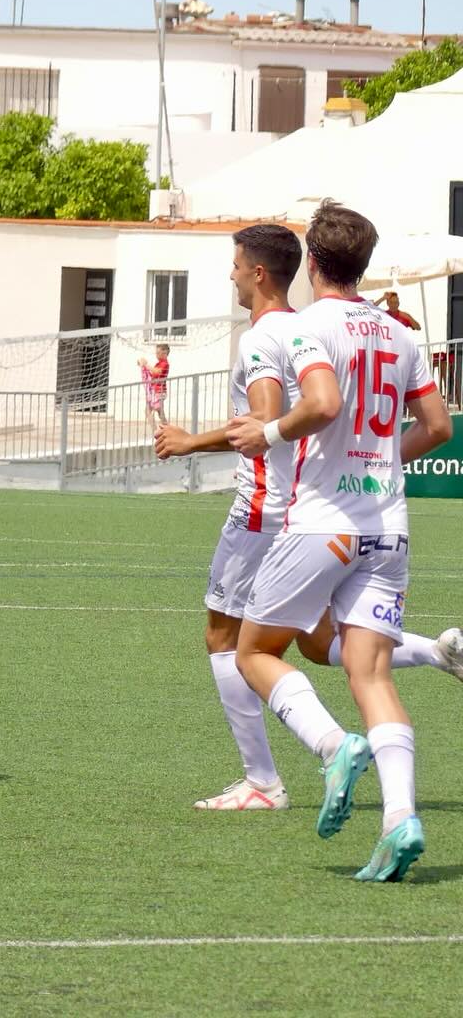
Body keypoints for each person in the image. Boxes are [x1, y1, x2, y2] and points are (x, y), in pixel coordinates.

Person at [156, 225, 463, 812]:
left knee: (229, 640)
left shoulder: (275, 334)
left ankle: (267, 778)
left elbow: (269, 419)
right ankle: (434, 652)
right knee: (325, 643)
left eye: (237, 264)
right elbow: (431, 423)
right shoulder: (332, 330)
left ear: (260, 273)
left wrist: (193, 441)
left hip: (273, 508)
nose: (231, 275)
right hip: (345, 512)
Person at [228, 200, 452, 882]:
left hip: (321, 522)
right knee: (371, 673)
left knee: (255, 652)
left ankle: (331, 746)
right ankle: (400, 819)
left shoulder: (304, 328)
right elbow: (438, 426)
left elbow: (318, 405)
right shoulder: (399, 333)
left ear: (314, 263)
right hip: (388, 527)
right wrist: (382, 463)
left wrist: (266, 434)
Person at [139, 344, 170, 431]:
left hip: (160, 392)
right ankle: (156, 431)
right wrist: (143, 366)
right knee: (148, 411)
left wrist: (146, 364)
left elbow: (156, 372)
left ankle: (167, 430)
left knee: (159, 412)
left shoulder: (165, 364)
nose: (156, 354)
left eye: (158, 352)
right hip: (154, 392)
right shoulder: (158, 363)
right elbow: (152, 373)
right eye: (156, 352)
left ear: (164, 353)